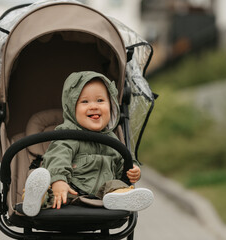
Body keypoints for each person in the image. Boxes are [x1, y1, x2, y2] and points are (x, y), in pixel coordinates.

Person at [22, 71, 153, 217]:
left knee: (116, 186)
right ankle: (36, 198)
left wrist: (132, 168)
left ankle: (123, 198)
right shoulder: (67, 135)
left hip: (102, 195)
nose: (94, 106)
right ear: (72, 108)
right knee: (52, 191)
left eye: (100, 101)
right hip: (70, 190)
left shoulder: (112, 140)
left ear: (111, 106)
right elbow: (58, 158)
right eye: (85, 102)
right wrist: (59, 180)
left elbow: (122, 161)